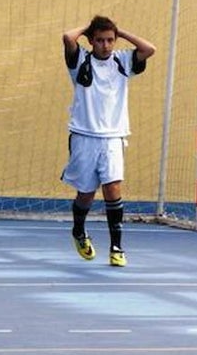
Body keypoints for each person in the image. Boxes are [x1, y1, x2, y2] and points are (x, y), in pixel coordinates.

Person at [61, 16, 156, 267]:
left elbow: (149, 49)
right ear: (91, 40)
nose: (106, 44)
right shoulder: (80, 60)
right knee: (86, 194)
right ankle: (79, 231)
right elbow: (68, 37)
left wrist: (121, 32)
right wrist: (88, 28)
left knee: (113, 188)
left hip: (113, 137)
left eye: (110, 40)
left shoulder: (123, 60)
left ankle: (117, 246)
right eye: (100, 40)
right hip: (84, 136)